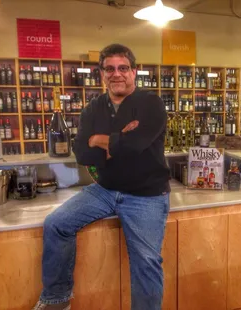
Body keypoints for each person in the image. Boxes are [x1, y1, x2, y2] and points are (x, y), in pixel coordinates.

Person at [32, 44, 171, 310]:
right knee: (56, 224)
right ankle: (57, 300)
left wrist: (101, 140)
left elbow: (138, 144)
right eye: (109, 69)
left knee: (146, 262)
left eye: (123, 68)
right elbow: (82, 153)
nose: (116, 74)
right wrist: (116, 140)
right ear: (101, 74)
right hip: (105, 189)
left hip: (147, 195)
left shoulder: (151, 104)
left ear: (134, 72)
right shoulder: (93, 108)